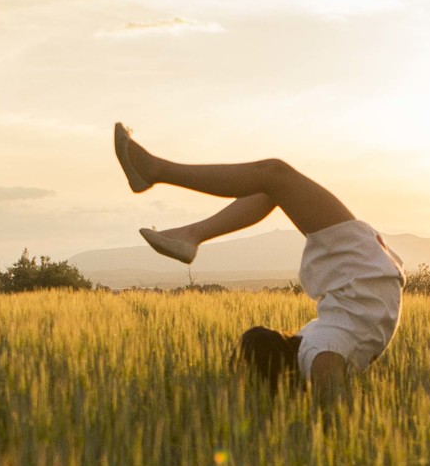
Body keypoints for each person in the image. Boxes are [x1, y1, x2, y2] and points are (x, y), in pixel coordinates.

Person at [113, 122, 404, 397]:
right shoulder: (320, 354)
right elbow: (333, 397)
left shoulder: (311, 346)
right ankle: (156, 171)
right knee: (273, 173)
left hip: (371, 280)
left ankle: (190, 235)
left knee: (270, 189)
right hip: (361, 273)